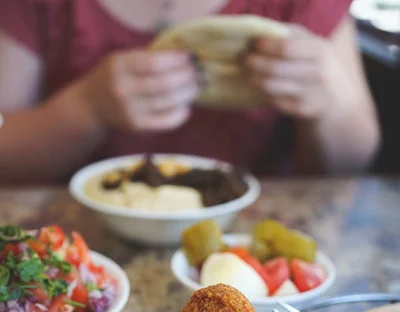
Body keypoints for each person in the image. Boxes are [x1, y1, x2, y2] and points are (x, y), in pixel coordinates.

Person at [0, 0, 380, 183]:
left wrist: (329, 97)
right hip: (87, 246)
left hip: (260, 252)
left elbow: (354, 160)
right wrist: (86, 107)